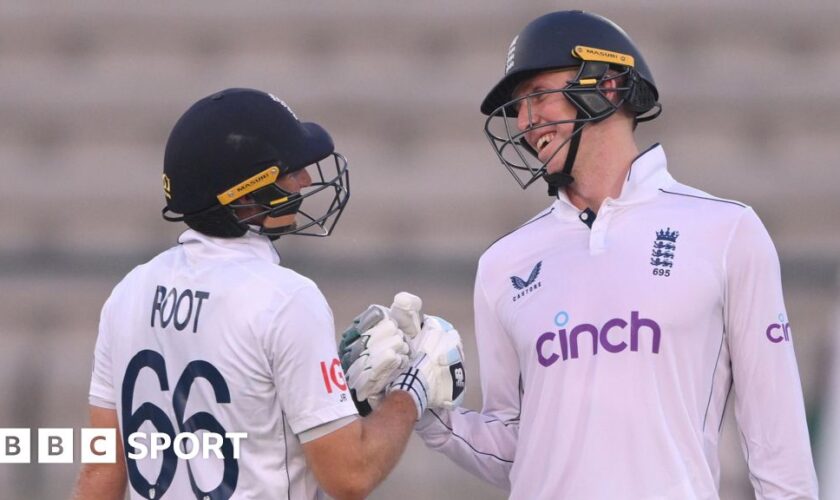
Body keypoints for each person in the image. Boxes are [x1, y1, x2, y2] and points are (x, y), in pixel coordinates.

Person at [345, 10, 819, 499]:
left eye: (537, 96)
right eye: (517, 108)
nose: (525, 123)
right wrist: (424, 408)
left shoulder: (727, 231)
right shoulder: (503, 265)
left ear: (607, 87)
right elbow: (517, 449)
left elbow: (778, 445)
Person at [73, 88, 464, 500]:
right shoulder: (286, 299)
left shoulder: (130, 291)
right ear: (244, 193)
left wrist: (339, 402)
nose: (306, 180)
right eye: (289, 170)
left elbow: (101, 472)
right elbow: (351, 474)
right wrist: (409, 391)